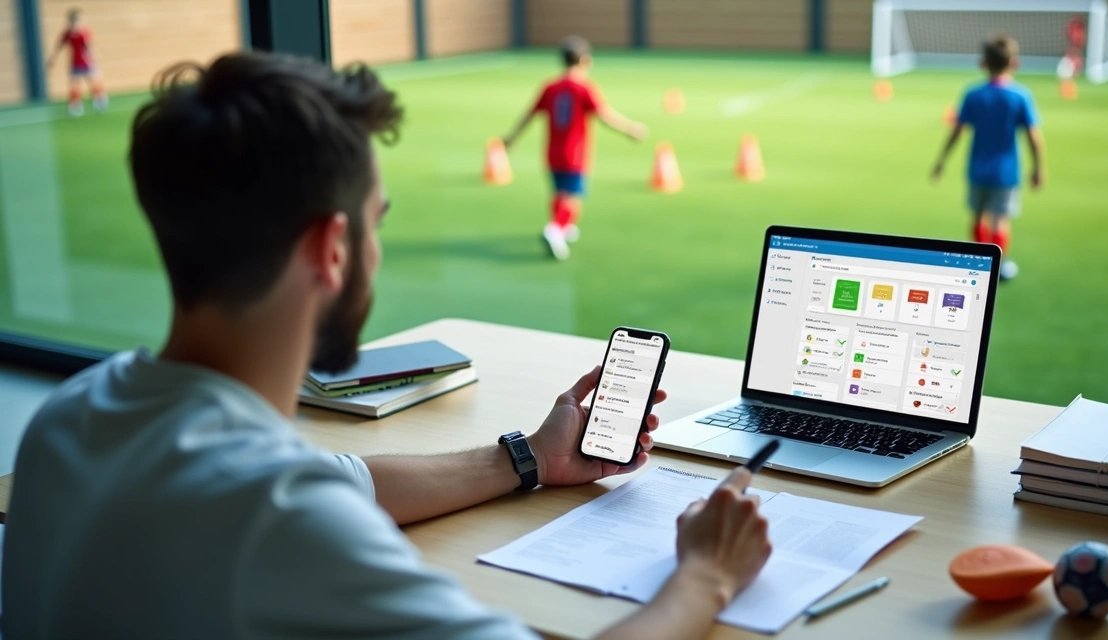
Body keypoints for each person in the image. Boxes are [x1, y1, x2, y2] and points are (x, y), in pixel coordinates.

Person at [0, 52, 771, 639]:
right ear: (332, 249)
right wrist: (705, 575)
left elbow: (342, 478)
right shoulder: (277, 521)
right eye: (379, 219)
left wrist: (532, 456)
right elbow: (301, 502)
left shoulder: (74, 417)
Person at [501, 36, 647, 261]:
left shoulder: (550, 87)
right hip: (574, 154)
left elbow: (529, 115)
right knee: (573, 198)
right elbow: (604, 115)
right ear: (585, 60)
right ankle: (555, 229)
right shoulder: (584, 88)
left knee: (560, 193)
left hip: (552, 152)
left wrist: (511, 138)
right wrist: (630, 129)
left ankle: (564, 226)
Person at [932, 35, 1044, 282]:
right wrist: (1038, 168)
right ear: (1015, 63)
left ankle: (979, 263)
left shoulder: (974, 95)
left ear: (982, 63)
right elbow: (1033, 136)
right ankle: (1000, 264)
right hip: (1006, 171)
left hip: (978, 170)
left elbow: (957, 131)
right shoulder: (1020, 96)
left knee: (978, 215)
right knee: (1000, 220)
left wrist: (941, 160)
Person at [44, 8, 108, 117]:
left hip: (87, 63)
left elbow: (89, 47)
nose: (82, 23)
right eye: (80, 20)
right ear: (72, 21)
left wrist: (94, 58)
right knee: (74, 85)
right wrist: (52, 59)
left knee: (93, 82)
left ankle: (99, 100)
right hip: (75, 63)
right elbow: (59, 46)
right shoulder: (67, 34)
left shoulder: (84, 33)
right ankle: (75, 106)